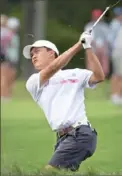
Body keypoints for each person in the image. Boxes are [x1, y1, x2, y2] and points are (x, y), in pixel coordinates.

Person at [23, 31, 105, 171]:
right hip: (62, 139)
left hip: (80, 134)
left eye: (37, 52)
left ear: (51, 53)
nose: (33, 57)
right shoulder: (34, 82)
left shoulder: (75, 74)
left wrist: (88, 47)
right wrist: (79, 44)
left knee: (49, 172)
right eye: (31, 55)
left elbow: (99, 76)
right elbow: (54, 67)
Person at [84, 9, 110, 77]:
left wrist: (102, 47)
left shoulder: (105, 26)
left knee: (104, 65)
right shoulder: (89, 26)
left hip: (104, 48)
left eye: (98, 16)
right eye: (95, 16)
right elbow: (88, 38)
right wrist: (96, 47)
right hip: (92, 48)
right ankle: (91, 77)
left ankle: (102, 77)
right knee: (91, 63)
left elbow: (107, 39)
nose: (97, 18)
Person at [1, 17, 20, 100]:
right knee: (5, 77)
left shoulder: (13, 35)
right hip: (7, 58)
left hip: (12, 59)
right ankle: (4, 95)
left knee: (10, 78)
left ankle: (7, 95)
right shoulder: (7, 35)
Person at [108, 7, 122, 105]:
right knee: (117, 74)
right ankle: (115, 95)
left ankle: (119, 95)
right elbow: (111, 40)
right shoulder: (115, 24)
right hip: (118, 51)